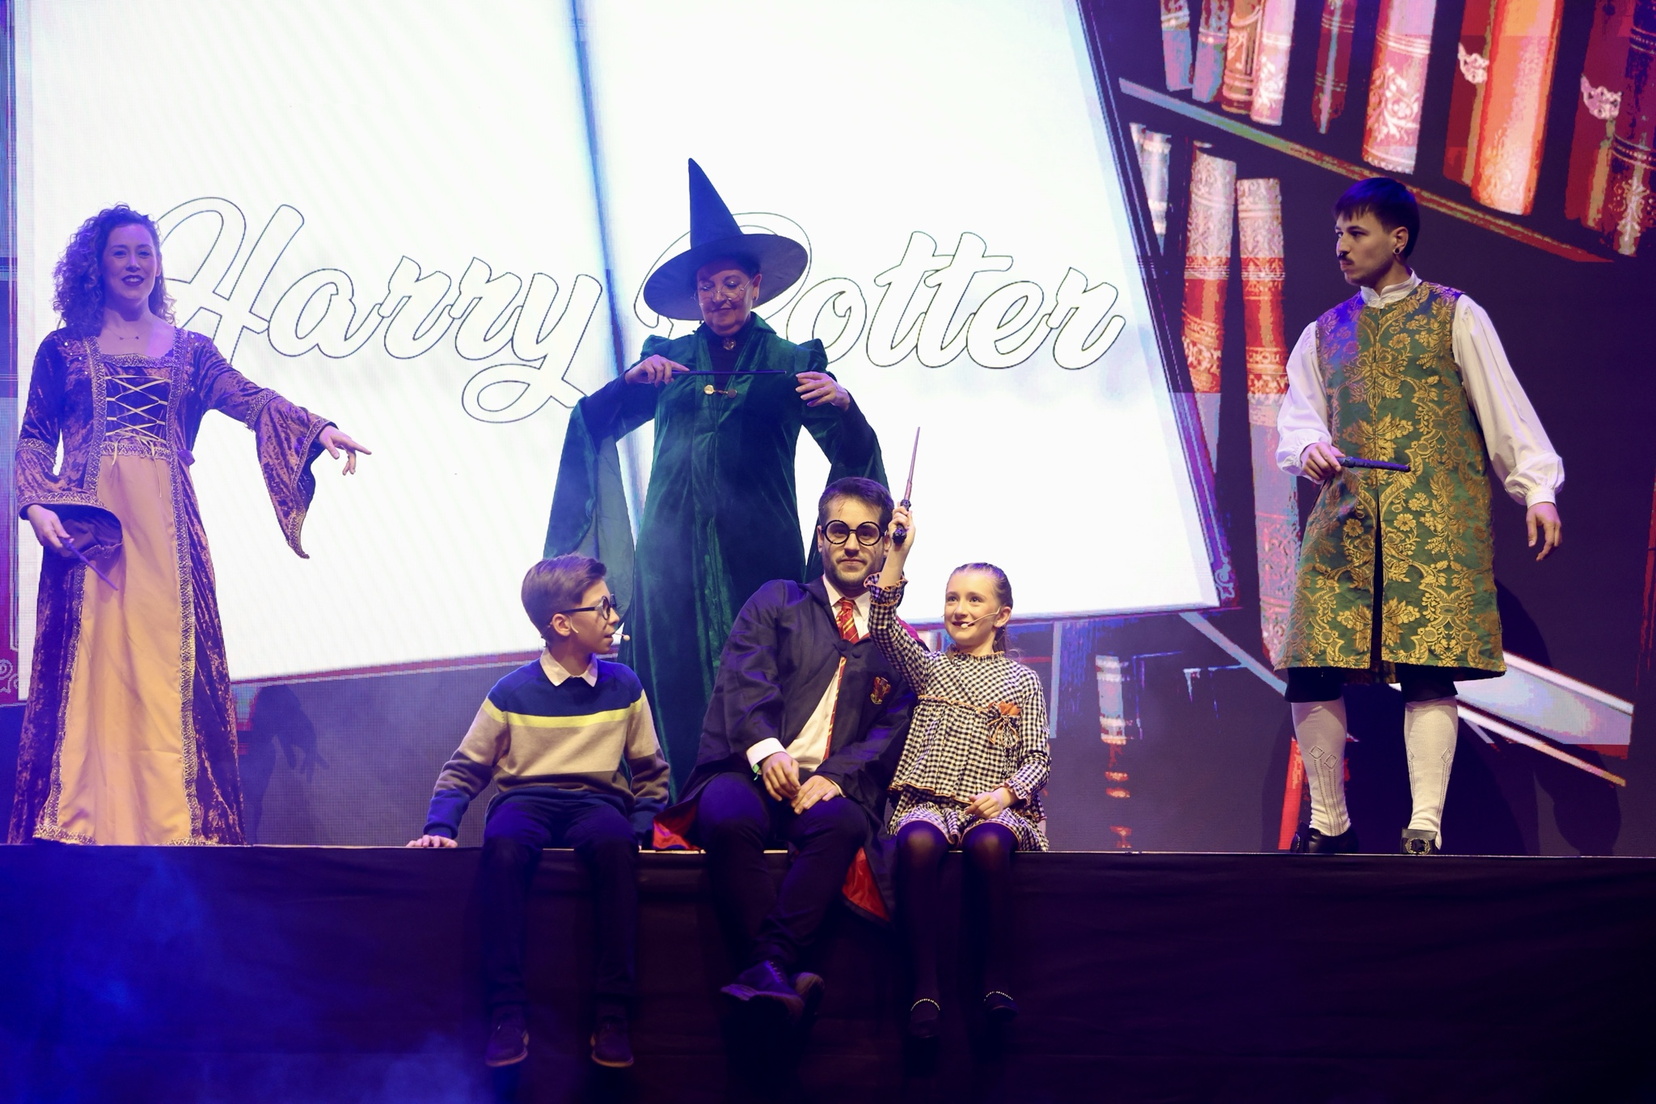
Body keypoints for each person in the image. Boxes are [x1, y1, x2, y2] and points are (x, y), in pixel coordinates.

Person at [10, 204, 368, 846]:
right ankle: (85, 823)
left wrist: (317, 429)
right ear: (95, 267)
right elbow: (35, 437)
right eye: (120, 253)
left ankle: (166, 826)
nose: (134, 264)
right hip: (89, 530)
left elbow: (248, 397)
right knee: (93, 670)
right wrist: (38, 505)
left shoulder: (191, 350)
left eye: (144, 253)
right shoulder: (62, 349)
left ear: (158, 264)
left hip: (166, 532)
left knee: (162, 666)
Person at [545, 160, 887, 793]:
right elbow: (591, 424)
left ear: (755, 286)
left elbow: (855, 461)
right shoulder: (667, 361)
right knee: (673, 684)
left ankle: (760, 809)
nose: (720, 296)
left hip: (757, 553)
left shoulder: (790, 361)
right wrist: (626, 384)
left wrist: (845, 406)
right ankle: (673, 811)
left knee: (763, 677)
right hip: (670, 562)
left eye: (732, 283)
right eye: (707, 286)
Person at [1276, 178, 1564, 856]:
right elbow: (1299, 418)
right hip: (1346, 526)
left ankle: (1425, 824)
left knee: (1426, 667)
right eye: (1339, 233)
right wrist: (1309, 447)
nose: (1342, 246)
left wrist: (1537, 488)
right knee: (1313, 666)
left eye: (1357, 232)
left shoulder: (1455, 316)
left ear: (1398, 238)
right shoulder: (1324, 331)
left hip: (1434, 524)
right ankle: (1330, 823)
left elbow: (1504, 408)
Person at [653, 476, 916, 1017]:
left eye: (867, 533)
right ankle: (777, 967)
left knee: (843, 825)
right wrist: (767, 748)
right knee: (727, 816)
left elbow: (892, 729)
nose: (851, 544)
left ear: (884, 544)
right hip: (749, 772)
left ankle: (766, 967)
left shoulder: (898, 643)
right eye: (838, 530)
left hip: (825, 789)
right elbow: (745, 677)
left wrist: (838, 776)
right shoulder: (778, 601)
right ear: (819, 538)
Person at [408, 555, 669, 1070]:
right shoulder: (512, 691)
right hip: (526, 800)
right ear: (562, 624)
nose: (614, 616)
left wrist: (642, 827)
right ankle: (507, 1013)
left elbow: (651, 771)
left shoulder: (625, 685)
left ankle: (612, 1014)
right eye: (603, 607)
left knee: (615, 844)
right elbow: (465, 768)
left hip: (596, 801)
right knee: (504, 844)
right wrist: (439, 826)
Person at [868, 505, 1050, 1039]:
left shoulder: (1022, 680)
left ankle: (996, 981)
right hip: (930, 801)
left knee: (989, 845)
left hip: (992, 804)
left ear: (1002, 614)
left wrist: (1007, 794)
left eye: (974, 599)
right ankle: (923, 987)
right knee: (917, 843)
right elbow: (882, 624)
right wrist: (897, 553)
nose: (959, 609)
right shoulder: (930, 666)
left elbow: (1038, 758)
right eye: (952, 598)